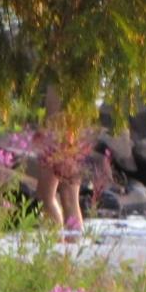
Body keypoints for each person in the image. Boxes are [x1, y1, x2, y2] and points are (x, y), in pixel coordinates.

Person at [35, 84, 85, 233]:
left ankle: (55, 248)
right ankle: (74, 250)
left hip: (60, 138)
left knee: (46, 196)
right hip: (70, 136)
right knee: (69, 197)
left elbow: (58, 114)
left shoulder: (62, 69)